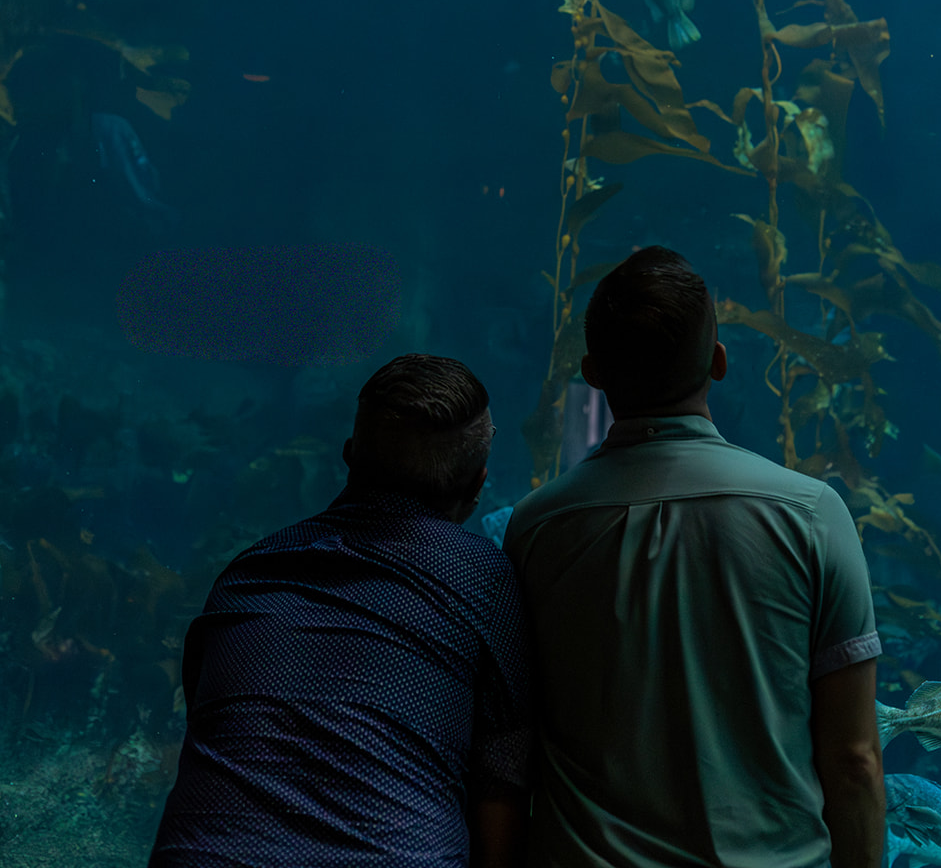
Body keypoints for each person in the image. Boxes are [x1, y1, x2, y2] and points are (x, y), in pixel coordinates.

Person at [504, 247, 885, 868]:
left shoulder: (535, 528)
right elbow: (854, 760)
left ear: (592, 373)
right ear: (719, 362)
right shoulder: (812, 515)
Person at [150, 353, 533, 868]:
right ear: (478, 484)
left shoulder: (246, 575)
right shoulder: (484, 578)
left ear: (349, 454)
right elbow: (502, 782)